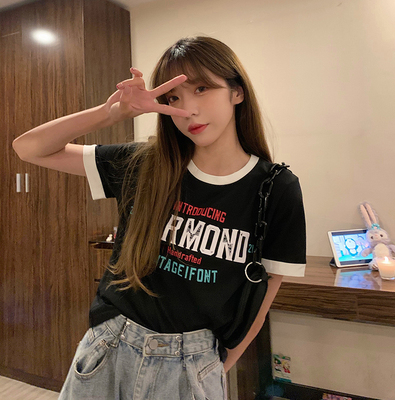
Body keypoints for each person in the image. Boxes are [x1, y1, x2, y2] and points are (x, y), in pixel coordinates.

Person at [13, 36, 306, 400]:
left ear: (237, 92)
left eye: (201, 89)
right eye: (173, 99)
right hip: (110, 348)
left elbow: (265, 294)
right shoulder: (144, 164)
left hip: (192, 365)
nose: (188, 110)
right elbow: (29, 148)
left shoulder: (275, 187)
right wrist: (111, 113)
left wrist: (215, 369)